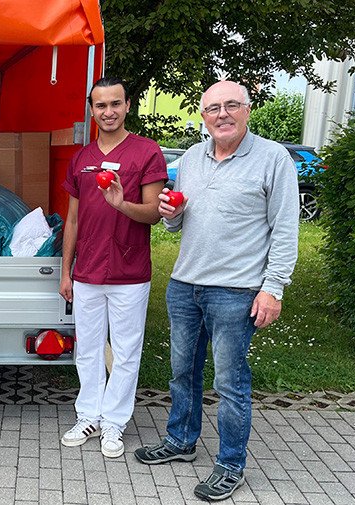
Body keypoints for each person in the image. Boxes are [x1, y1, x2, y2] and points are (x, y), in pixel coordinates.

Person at [134, 80, 299, 501]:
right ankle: (181, 441)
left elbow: (285, 229)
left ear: (248, 110)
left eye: (231, 105)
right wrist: (171, 213)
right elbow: (176, 222)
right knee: (181, 372)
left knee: (230, 382)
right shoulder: (191, 157)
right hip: (185, 285)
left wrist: (273, 288)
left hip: (236, 291)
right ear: (203, 116)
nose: (222, 114)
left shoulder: (273, 158)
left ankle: (230, 464)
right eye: (213, 108)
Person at [59, 77, 167, 458]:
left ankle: (114, 422)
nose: (109, 112)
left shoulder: (147, 152)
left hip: (129, 271)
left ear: (127, 105)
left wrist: (121, 204)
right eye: (101, 105)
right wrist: (66, 270)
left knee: (125, 352)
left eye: (115, 104)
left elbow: (154, 213)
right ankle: (88, 415)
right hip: (88, 271)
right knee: (87, 350)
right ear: (92, 110)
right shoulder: (81, 159)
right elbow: (72, 219)